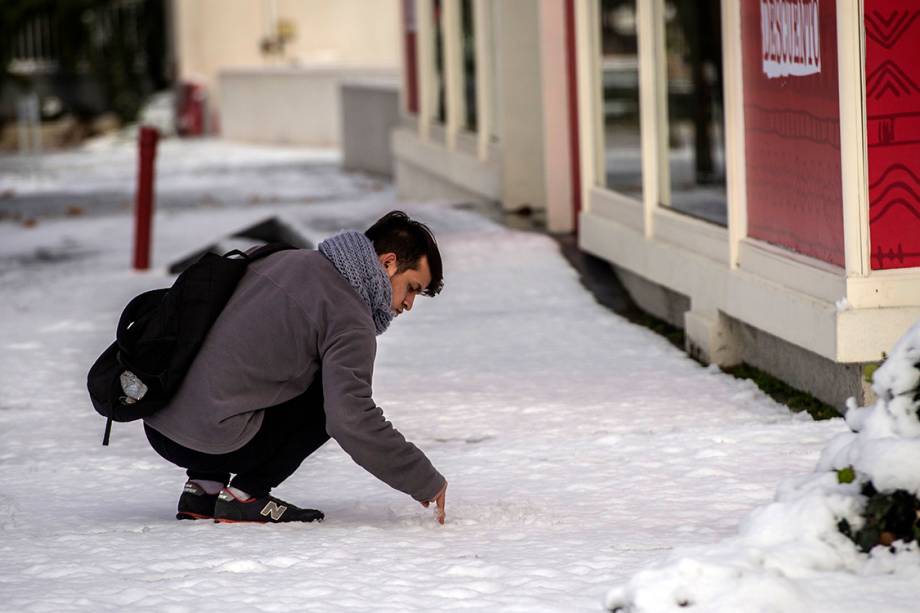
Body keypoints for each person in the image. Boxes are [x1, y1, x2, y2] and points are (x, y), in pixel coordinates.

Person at [142, 211, 448, 524]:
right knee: (332, 398)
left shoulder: (280, 258)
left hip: (160, 424)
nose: (409, 304)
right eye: (412, 288)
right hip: (213, 442)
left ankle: (204, 487)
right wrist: (423, 479)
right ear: (388, 263)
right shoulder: (350, 316)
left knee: (245, 362)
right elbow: (351, 419)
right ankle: (246, 494)